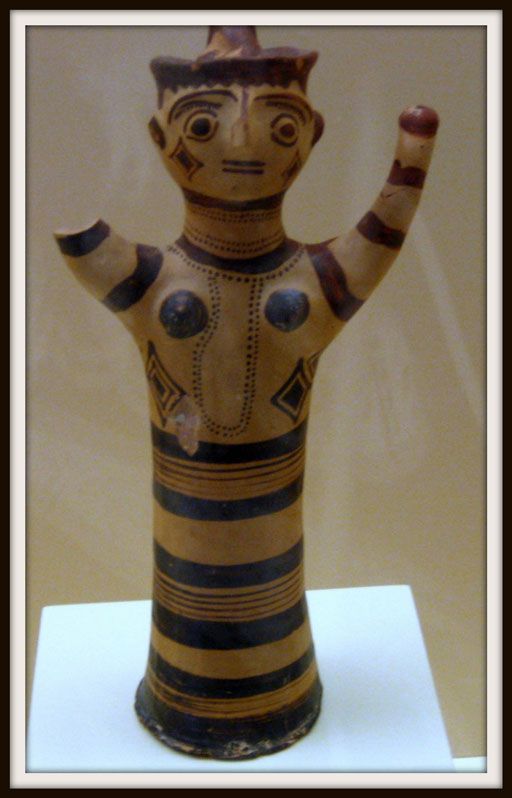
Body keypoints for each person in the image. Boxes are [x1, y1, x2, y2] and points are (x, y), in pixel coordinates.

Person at [55, 26, 439, 760]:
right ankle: (201, 698)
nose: (239, 141)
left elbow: (382, 233)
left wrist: (411, 166)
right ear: (159, 138)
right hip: (188, 525)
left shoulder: (306, 283)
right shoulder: (155, 281)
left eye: (277, 125)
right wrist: (412, 160)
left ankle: (263, 697)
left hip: (266, 533)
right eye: (203, 124)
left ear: (311, 138)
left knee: (258, 583)